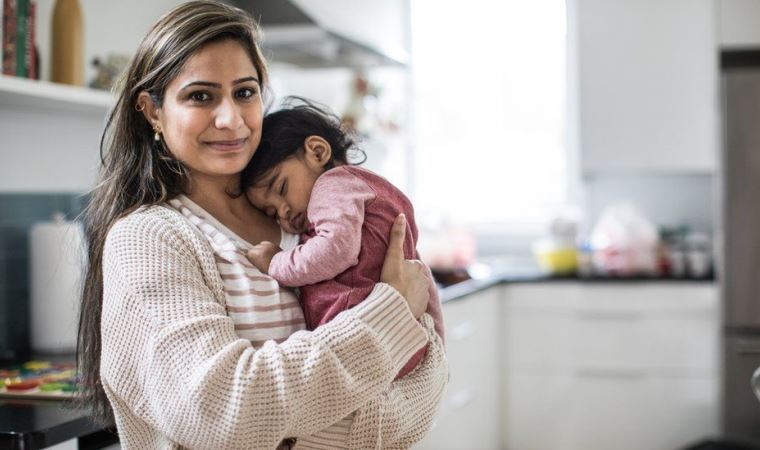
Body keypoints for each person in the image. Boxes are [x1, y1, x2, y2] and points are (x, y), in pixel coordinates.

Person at [76, 2, 448, 449]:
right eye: (201, 96)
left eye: (245, 92)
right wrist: (390, 315)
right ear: (152, 111)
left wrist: (302, 422)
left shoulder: (304, 216)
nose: (231, 119)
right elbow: (222, 412)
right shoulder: (150, 238)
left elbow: (427, 382)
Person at [242, 100, 444, 380]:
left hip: (365, 344)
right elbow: (420, 274)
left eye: (282, 188)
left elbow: (335, 251)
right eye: (271, 212)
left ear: (317, 151)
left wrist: (275, 261)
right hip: (396, 342)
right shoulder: (361, 192)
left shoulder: (333, 186)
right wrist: (437, 345)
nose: (283, 212)